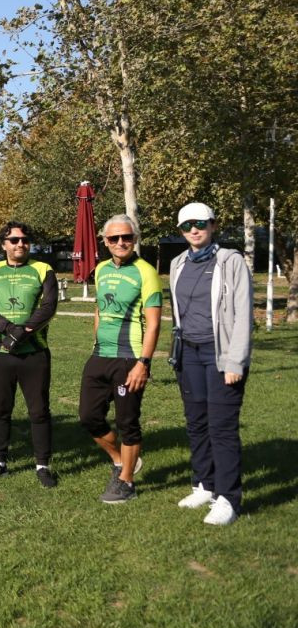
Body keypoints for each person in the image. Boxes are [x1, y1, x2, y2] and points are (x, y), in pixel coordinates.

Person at [169, 203, 252, 526]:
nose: (194, 229)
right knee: (197, 422)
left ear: (213, 225)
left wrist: (235, 360)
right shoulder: (178, 264)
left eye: (200, 223)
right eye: (187, 225)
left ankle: (228, 498)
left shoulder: (230, 262)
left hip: (220, 354)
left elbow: (243, 314)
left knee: (222, 427)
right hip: (188, 354)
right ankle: (204, 484)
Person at [80, 214, 162, 504]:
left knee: (128, 422)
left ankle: (126, 481)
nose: (121, 242)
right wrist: (97, 338)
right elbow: (100, 310)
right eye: (114, 238)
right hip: (100, 355)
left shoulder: (146, 271)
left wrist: (144, 363)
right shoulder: (100, 269)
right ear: (105, 241)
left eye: (126, 237)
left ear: (135, 239)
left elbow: (153, 323)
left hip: (130, 359)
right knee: (89, 417)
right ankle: (121, 461)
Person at [0, 221, 60, 487]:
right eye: (14, 240)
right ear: (4, 244)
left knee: (39, 411)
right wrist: (8, 330)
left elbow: (48, 306)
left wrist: (22, 333)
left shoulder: (43, 269)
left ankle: (43, 465)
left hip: (34, 352)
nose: (20, 244)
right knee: (0, 409)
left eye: (24, 240)